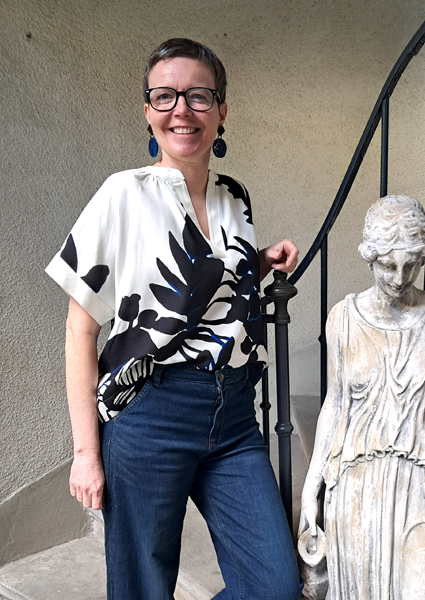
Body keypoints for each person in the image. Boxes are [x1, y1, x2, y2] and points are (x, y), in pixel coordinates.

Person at [46, 38, 302, 600]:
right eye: (165, 96)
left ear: (221, 110)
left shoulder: (235, 197)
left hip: (234, 415)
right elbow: (80, 331)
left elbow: (204, 289)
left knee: (275, 586)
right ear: (148, 111)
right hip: (151, 414)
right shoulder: (122, 194)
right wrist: (86, 453)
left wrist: (258, 262)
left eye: (198, 96)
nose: (181, 110)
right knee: (142, 587)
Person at [298, 195, 425, 600]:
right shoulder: (343, 319)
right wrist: (310, 488)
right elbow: (335, 405)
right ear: (369, 259)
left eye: (411, 264)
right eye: (388, 265)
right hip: (354, 486)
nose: (400, 277)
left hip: (424, 485)